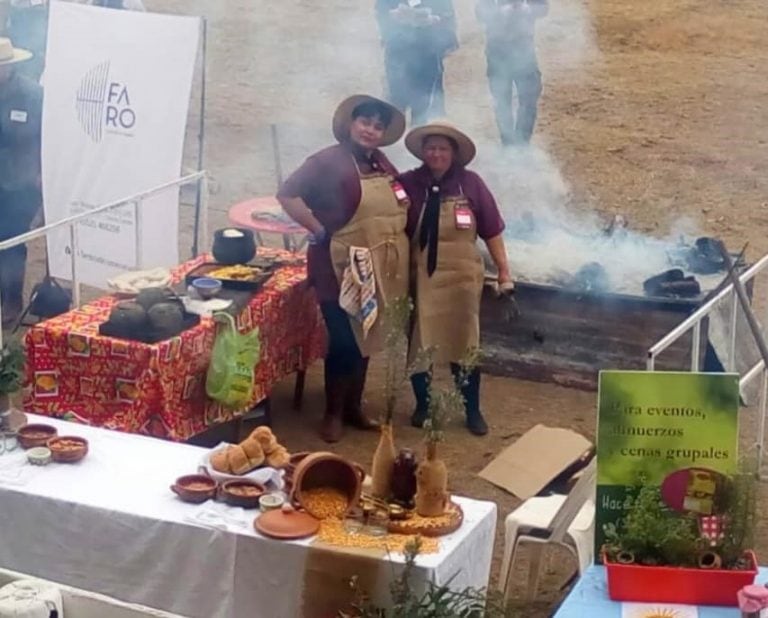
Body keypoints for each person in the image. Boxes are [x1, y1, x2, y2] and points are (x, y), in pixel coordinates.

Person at [277, 95, 410, 443]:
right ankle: (333, 413)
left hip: (375, 267)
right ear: (351, 124)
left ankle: (353, 407)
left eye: (378, 126)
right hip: (335, 267)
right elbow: (288, 194)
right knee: (345, 340)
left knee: (365, 336)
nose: (370, 130)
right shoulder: (325, 161)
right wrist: (317, 229)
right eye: (365, 122)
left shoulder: (382, 164)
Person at [399, 122, 514, 435]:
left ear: (454, 153)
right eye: (431, 148)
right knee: (422, 343)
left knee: (464, 342)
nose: (436, 154)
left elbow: (492, 229)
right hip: (421, 276)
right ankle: (423, 405)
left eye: (443, 148)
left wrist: (503, 270)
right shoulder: (408, 183)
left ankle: (472, 409)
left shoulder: (471, 184)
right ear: (424, 152)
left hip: (463, 278)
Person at [0, 37, 42, 327]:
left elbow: (45, 137)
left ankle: (12, 298)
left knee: (12, 241)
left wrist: (42, 174)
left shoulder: (33, 95)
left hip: (20, 181)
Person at [476, 0, 548, 146]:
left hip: (525, 52)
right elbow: (480, 12)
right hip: (497, 52)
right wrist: (501, 12)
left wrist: (526, 9)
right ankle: (507, 143)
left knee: (528, 98)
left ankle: (522, 143)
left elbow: (543, 8)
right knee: (502, 101)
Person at [375, 0, 458, 126]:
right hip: (397, 56)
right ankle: (391, 142)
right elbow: (381, 13)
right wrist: (393, 17)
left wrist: (434, 22)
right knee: (393, 108)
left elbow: (449, 24)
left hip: (429, 56)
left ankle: (422, 140)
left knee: (427, 110)